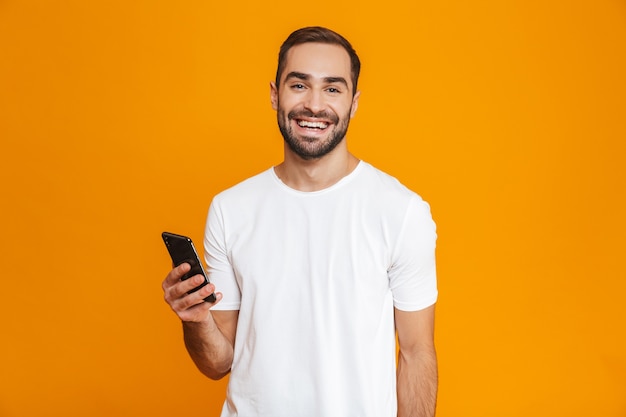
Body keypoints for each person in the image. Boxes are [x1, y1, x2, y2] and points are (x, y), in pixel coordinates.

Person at [162, 26, 438, 417]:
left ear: (353, 103)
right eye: (299, 85)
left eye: (332, 88)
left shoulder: (401, 212)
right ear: (275, 93)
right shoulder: (230, 209)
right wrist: (195, 319)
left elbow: (416, 354)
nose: (314, 104)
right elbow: (218, 362)